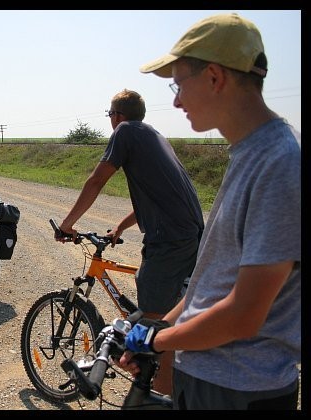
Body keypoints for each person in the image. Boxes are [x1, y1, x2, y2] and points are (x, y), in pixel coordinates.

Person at [119, 13, 301, 410]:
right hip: (211, 379)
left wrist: (158, 341)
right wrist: (162, 325)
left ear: (215, 77)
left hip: (239, 390)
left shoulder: (280, 163)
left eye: (179, 83)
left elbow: (243, 314)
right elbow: (210, 282)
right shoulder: (250, 152)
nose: (176, 100)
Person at [57, 89, 204, 395]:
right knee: (168, 316)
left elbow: (96, 180)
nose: (111, 121)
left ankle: (159, 399)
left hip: (171, 240)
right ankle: (175, 383)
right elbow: (153, 196)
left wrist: (67, 224)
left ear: (118, 116)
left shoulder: (124, 132)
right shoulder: (153, 135)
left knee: (155, 334)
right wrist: (119, 228)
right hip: (189, 234)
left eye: (110, 115)